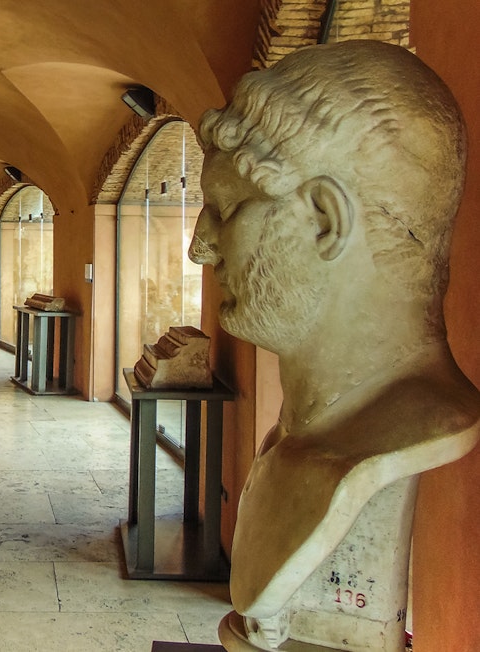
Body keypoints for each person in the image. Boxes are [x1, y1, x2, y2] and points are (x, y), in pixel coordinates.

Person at [188, 40, 480, 650]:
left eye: (224, 210)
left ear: (325, 219)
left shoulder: (387, 445)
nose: (201, 248)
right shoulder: (298, 436)